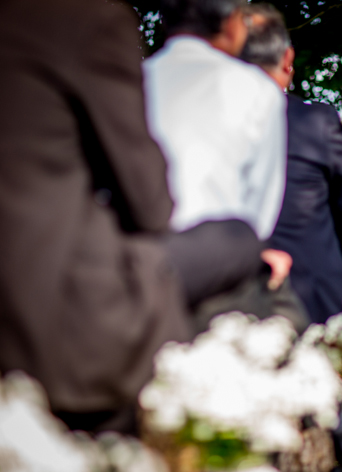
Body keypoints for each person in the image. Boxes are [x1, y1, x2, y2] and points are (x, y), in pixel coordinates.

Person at [0, 0, 265, 435]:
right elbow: (150, 204)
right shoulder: (87, 17)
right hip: (52, 319)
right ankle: (216, 433)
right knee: (239, 239)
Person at [143, 0, 305, 331]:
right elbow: (258, 216)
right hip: (220, 281)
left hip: (136, 265)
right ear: (232, 24)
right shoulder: (257, 89)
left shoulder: (133, 80)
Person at [240, 4, 342, 324]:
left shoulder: (207, 123)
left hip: (227, 299)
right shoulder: (316, 120)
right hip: (312, 300)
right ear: (287, 59)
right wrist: (324, 262)